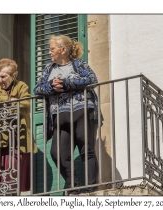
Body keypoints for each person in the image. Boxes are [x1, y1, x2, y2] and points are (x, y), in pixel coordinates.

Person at [33, 34, 102, 195]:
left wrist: (66, 84)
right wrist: (51, 85)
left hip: (82, 111)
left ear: (63, 50)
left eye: (52, 49)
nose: (49, 52)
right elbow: (37, 89)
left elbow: (92, 79)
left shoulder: (79, 64)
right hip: (59, 116)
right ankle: (73, 186)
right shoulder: (49, 68)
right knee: (57, 153)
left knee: (87, 150)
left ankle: (91, 189)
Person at [0, 58, 38, 195]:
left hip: (18, 138)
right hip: (0, 139)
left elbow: (26, 104)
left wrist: (6, 104)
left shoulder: (21, 86)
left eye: (3, 76)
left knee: (15, 177)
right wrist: (9, 101)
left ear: (13, 76)